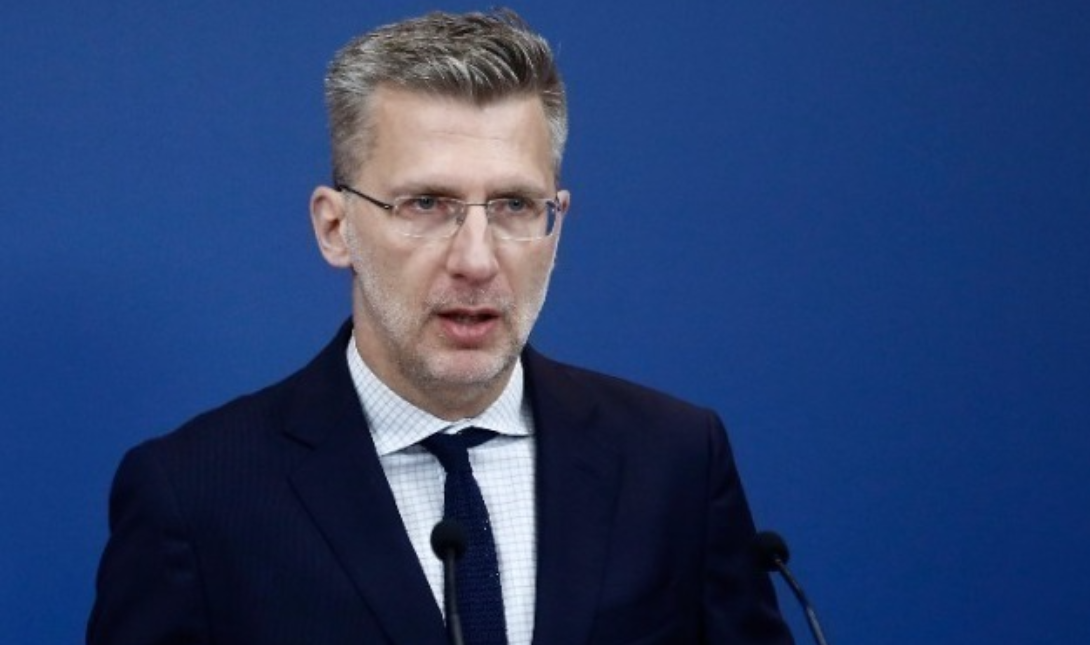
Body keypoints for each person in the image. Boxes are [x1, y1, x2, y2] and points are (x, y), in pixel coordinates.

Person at [87, 9, 794, 645]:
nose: (476, 260)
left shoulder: (673, 460)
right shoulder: (195, 495)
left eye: (514, 206)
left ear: (557, 225)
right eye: (426, 204)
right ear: (335, 227)